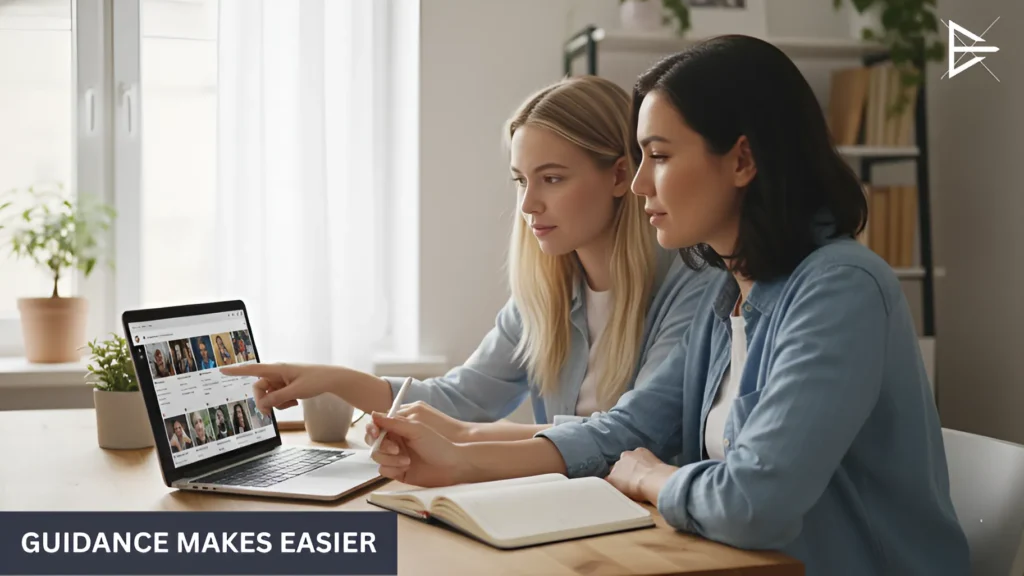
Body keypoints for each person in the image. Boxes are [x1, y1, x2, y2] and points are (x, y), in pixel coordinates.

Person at [364, 36, 969, 576]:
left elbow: (751, 504)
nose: (638, 185)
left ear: (741, 160)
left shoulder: (839, 289)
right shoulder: (729, 292)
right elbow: (628, 430)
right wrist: (464, 460)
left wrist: (651, 476)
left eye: (659, 155)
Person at [222, 76, 710, 445]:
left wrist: (463, 440)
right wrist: (334, 379)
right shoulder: (545, 296)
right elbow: (459, 400)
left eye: (553, 179)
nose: (528, 205)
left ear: (620, 174)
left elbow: (632, 436)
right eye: (521, 180)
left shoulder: (690, 285)